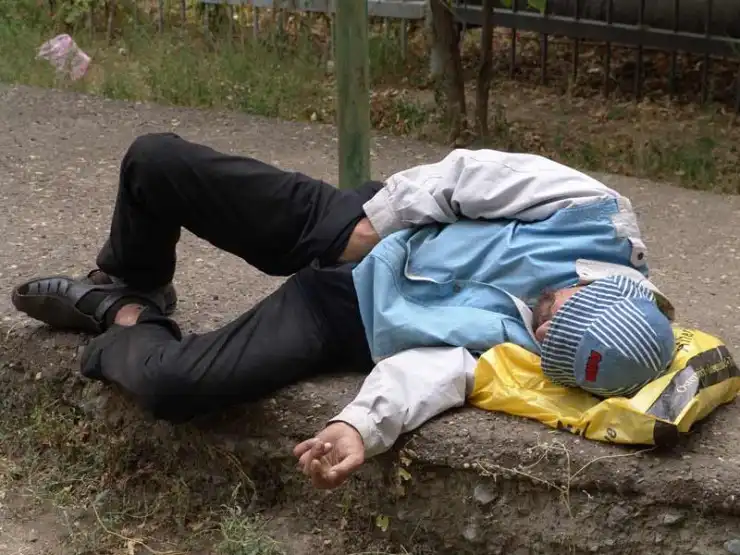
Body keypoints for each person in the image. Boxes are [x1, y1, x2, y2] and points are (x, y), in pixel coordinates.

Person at [11, 133, 676, 491]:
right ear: (599, 289)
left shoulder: (549, 356)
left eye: (548, 341)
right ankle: (137, 276)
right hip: (367, 225)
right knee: (155, 161)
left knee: (174, 387)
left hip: (343, 315)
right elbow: (466, 176)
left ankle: (124, 314)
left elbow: (439, 370)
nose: (540, 325)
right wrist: (368, 224)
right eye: (558, 314)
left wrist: (359, 424)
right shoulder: (596, 216)